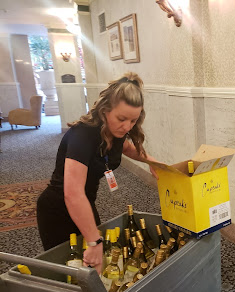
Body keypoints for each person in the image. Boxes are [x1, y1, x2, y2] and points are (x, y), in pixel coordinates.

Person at [37, 72, 158, 273]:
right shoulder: (83, 134)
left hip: (85, 203)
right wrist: (93, 242)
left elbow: (126, 148)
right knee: (66, 270)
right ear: (105, 110)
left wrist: (151, 161)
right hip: (56, 209)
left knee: (95, 266)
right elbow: (73, 193)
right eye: (121, 118)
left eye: (133, 121)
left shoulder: (116, 131)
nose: (127, 126)